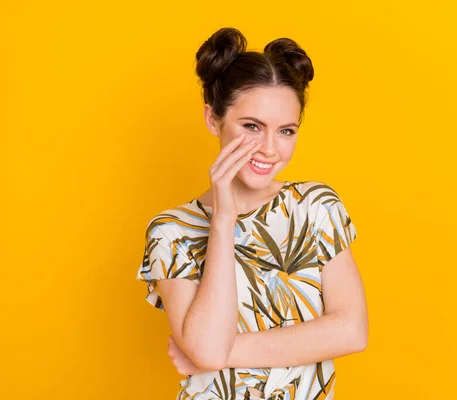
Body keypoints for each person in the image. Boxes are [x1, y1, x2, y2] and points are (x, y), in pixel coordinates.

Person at [136, 27, 368, 400]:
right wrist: (223, 221)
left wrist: (218, 355)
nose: (270, 149)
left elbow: (351, 331)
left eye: (287, 131)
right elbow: (207, 350)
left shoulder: (315, 207)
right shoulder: (172, 232)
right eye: (251, 127)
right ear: (213, 120)